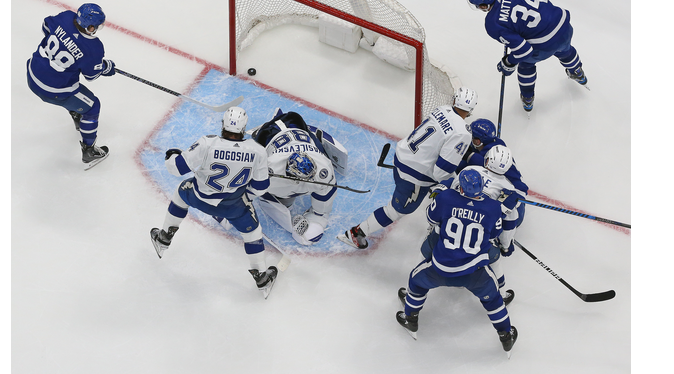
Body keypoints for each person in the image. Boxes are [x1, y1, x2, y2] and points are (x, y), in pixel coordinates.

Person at [149, 107, 278, 298]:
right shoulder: (257, 151)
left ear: (223, 124)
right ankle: (261, 276)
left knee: (181, 192)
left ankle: (164, 237)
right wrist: (246, 196)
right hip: (234, 207)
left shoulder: (207, 143)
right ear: (244, 128)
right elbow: (261, 187)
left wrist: (172, 156)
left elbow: (176, 168)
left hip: (198, 197)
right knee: (253, 234)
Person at [395, 168, 518, 356]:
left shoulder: (447, 198)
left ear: (461, 187)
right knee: (493, 299)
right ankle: (505, 335)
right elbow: (494, 234)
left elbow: (430, 218)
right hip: (475, 273)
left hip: (440, 268)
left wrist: (440, 194)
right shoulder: (493, 208)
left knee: (416, 281)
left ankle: (411, 317)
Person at [338, 87, 477, 249]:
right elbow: (441, 171)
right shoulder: (463, 133)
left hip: (402, 156)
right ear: (471, 110)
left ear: (454, 100)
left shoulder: (442, 109)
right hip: (414, 175)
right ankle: (355, 233)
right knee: (396, 211)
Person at [467, 0, 588, 112]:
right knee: (564, 49)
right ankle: (577, 72)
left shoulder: (493, 24)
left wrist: (508, 63)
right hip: (562, 23)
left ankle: (528, 98)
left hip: (545, 43)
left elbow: (524, 51)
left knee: (526, 64)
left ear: (484, 6)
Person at [26, 3, 116, 170]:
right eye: (94, 26)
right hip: (52, 90)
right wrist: (104, 67)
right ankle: (89, 151)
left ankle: (75, 111)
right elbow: (91, 76)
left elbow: (46, 26)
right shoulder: (94, 48)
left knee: (72, 85)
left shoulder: (66, 17)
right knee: (92, 106)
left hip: (32, 72)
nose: (96, 29)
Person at [451, 144, 528, 302]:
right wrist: (506, 246)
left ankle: (414, 289)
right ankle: (501, 293)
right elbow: (509, 224)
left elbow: (450, 194)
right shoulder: (509, 189)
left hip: (451, 227)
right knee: (494, 257)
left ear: (486, 160)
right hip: (480, 237)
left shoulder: (468, 172)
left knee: (432, 243)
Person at [249, 110, 339, 246]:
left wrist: (319, 215)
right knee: (284, 200)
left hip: (298, 129)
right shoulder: (271, 167)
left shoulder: (322, 167)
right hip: (272, 134)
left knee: (321, 188)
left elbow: (327, 193)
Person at [458, 118, 527, 194]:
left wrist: (468, 155)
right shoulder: (494, 142)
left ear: (478, 141)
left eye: (472, 137)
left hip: (514, 186)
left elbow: (480, 162)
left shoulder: (490, 153)